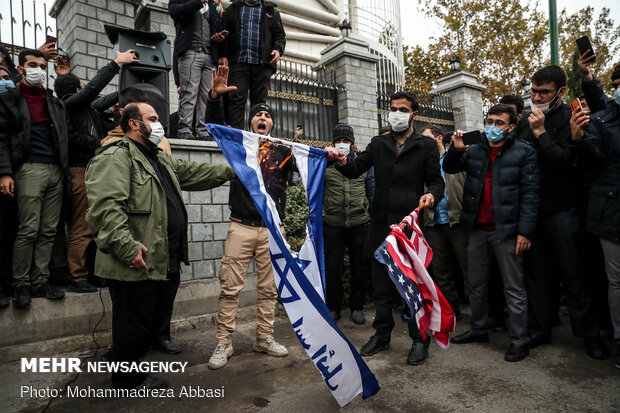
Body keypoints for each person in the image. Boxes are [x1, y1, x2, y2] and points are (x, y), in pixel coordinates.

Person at [85, 101, 236, 390]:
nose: (158, 124)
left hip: (165, 253)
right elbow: (105, 210)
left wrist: (234, 171)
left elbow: (193, 172)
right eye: (152, 118)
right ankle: (127, 379)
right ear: (133, 123)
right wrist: (127, 248)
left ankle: (124, 359)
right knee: (134, 321)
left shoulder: (159, 157)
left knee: (151, 319)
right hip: (136, 256)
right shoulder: (115, 157)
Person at [336, 91, 445, 366]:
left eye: (402, 109)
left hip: (409, 229)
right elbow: (354, 169)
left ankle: (420, 340)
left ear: (414, 114)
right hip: (381, 228)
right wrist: (339, 159)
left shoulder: (426, 146)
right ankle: (382, 335)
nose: (396, 113)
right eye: (392, 108)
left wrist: (432, 195)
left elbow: (436, 182)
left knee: (412, 287)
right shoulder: (378, 143)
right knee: (382, 287)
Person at [515, 65, 608, 359]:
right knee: (537, 276)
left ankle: (590, 335)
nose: (538, 97)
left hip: (564, 210)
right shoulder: (523, 123)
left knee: (575, 275)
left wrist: (542, 132)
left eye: (544, 92)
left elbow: (566, 163)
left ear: (561, 92)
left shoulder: (572, 117)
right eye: (533, 91)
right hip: (532, 211)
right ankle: (540, 329)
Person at [206, 65, 293, 369]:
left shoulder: (284, 151)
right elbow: (213, 125)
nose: (262, 118)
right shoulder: (239, 147)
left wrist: (332, 156)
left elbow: (312, 165)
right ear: (251, 121)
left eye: (267, 115)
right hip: (240, 228)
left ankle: (264, 337)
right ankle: (223, 343)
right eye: (258, 114)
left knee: (269, 290)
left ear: (271, 124)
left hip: (271, 230)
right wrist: (215, 97)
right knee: (230, 288)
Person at [444, 104, 539, 362]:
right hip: (477, 229)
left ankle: (520, 340)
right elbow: (451, 168)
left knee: (514, 288)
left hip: (507, 231)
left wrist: (525, 232)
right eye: (489, 121)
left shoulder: (523, 152)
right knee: (476, 285)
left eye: (499, 123)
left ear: (510, 128)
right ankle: (479, 328)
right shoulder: (475, 150)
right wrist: (455, 147)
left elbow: (531, 196)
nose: (492, 127)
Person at [53, 50, 139, 293]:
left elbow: (106, 98)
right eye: (83, 86)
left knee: (94, 225)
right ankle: (77, 276)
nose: (88, 90)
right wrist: (115, 64)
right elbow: (93, 92)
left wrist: (132, 88)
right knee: (82, 226)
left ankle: (91, 273)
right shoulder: (69, 104)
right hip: (79, 172)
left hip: (89, 171)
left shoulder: (87, 107)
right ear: (78, 89)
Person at [0, 49, 75, 307]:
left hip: (56, 171)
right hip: (29, 169)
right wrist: (5, 172)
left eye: (43, 66)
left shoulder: (54, 101)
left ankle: (40, 281)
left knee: (49, 231)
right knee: (28, 229)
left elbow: (66, 136)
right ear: (20, 69)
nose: (39, 70)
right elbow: (1, 138)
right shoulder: (9, 99)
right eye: (33, 65)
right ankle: (20, 284)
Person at [571, 68, 620, 369]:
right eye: (616, 84)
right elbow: (595, 160)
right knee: (616, 281)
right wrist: (580, 139)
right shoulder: (604, 121)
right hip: (610, 212)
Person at [323, 123, 372, 325]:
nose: (342, 144)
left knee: (359, 266)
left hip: (359, 223)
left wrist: (370, 213)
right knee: (333, 267)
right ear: (333, 143)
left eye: (346, 141)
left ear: (352, 144)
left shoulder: (362, 164)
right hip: (332, 224)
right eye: (339, 141)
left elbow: (372, 190)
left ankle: (357, 306)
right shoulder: (324, 165)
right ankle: (334, 306)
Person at [420, 125, 468, 320]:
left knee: (469, 270)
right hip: (433, 224)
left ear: (439, 138)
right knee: (441, 272)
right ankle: (451, 313)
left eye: (426, 139)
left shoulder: (456, 158)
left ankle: (483, 317)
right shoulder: (424, 164)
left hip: (458, 222)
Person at [217, 0, 286, 129]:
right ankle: (236, 137)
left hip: (263, 64)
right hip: (238, 62)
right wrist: (223, 55)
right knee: (236, 99)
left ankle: (256, 138)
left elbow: (280, 36)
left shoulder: (271, 11)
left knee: (259, 105)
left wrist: (278, 49)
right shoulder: (233, 9)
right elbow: (222, 33)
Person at [169, 0, 223, 140]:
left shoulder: (212, 5)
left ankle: (203, 131)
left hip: (210, 55)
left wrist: (219, 36)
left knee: (206, 95)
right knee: (189, 93)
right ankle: (184, 130)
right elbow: (175, 12)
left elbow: (215, 28)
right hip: (191, 52)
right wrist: (198, 2)